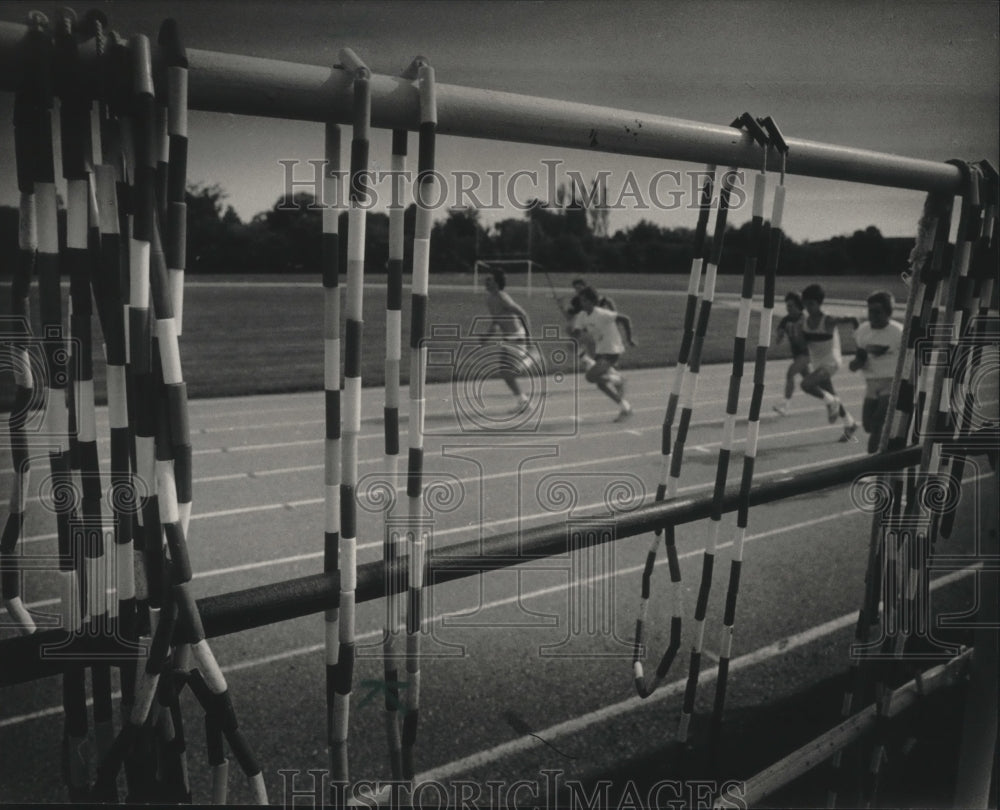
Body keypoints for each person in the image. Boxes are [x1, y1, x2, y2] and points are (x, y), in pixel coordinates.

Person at [799, 283, 860, 442]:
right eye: (805, 303)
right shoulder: (805, 322)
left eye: (811, 304)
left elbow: (853, 319)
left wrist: (859, 340)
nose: (807, 307)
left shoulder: (828, 320)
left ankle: (832, 402)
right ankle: (850, 423)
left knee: (806, 385)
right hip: (818, 364)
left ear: (819, 303)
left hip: (831, 363)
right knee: (831, 394)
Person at [848, 290, 904, 453]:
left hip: (892, 383)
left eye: (877, 312)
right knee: (867, 426)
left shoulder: (898, 332)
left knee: (877, 423)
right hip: (871, 384)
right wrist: (858, 362)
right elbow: (855, 364)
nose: (872, 315)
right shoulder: (862, 331)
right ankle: (888, 447)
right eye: (870, 311)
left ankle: (872, 465)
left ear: (888, 313)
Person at [571, 286, 636, 422]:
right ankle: (625, 407)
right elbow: (577, 333)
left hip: (612, 351)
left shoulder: (602, 314)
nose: (582, 303)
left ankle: (618, 379)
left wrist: (629, 339)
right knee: (600, 383)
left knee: (590, 376)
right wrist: (575, 337)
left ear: (592, 302)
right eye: (581, 301)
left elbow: (625, 319)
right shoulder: (582, 316)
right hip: (600, 352)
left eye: (585, 301)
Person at [482, 267, 537, 413]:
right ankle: (523, 401)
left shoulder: (502, 297)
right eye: (486, 279)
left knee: (508, 372)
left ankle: (531, 359)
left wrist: (529, 339)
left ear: (497, 282)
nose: (486, 282)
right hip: (507, 338)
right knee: (503, 372)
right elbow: (496, 321)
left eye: (490, 279)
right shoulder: (490, 299)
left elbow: (523, 315)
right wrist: (487, 336)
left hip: (516, 337)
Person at [564, 278, 616, 371]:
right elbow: (569, 317)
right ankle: (597, 366)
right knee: (576, 346)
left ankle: (602, 369)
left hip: (596, 332)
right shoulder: (576, 301)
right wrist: (561, 306)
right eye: (575, 288)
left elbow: (607, 300)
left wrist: (613, 312)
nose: (578, 290)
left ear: (585, 287)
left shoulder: (592, 298)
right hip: (588, 331)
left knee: (576, 346)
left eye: (579, 287)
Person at [772, 291, 810, 416]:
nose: (788, 308)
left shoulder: (805, 320)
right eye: (787, 306)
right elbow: (778, 339)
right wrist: (779, 335)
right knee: (810, 382)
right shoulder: (786, 320)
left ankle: (785, 405)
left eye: (791, 306)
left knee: (790, 373)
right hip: (797, 355)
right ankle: (830, 398)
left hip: (807, 354)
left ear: (799, 306)